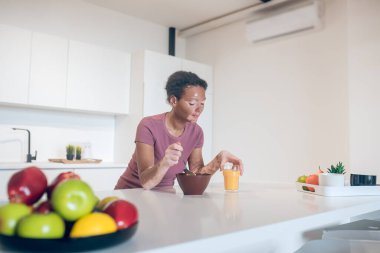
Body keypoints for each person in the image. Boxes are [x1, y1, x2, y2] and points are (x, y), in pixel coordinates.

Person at [115, 71, 243, 190]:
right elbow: (146, 182)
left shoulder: (196, 132)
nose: (199, 110)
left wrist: (218, 160)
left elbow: (195, 174)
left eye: (202, 103)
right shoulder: (148, 125)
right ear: (174, 100)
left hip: (163, 196)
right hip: (131, 193)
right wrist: (165, 163)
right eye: (192, 103)